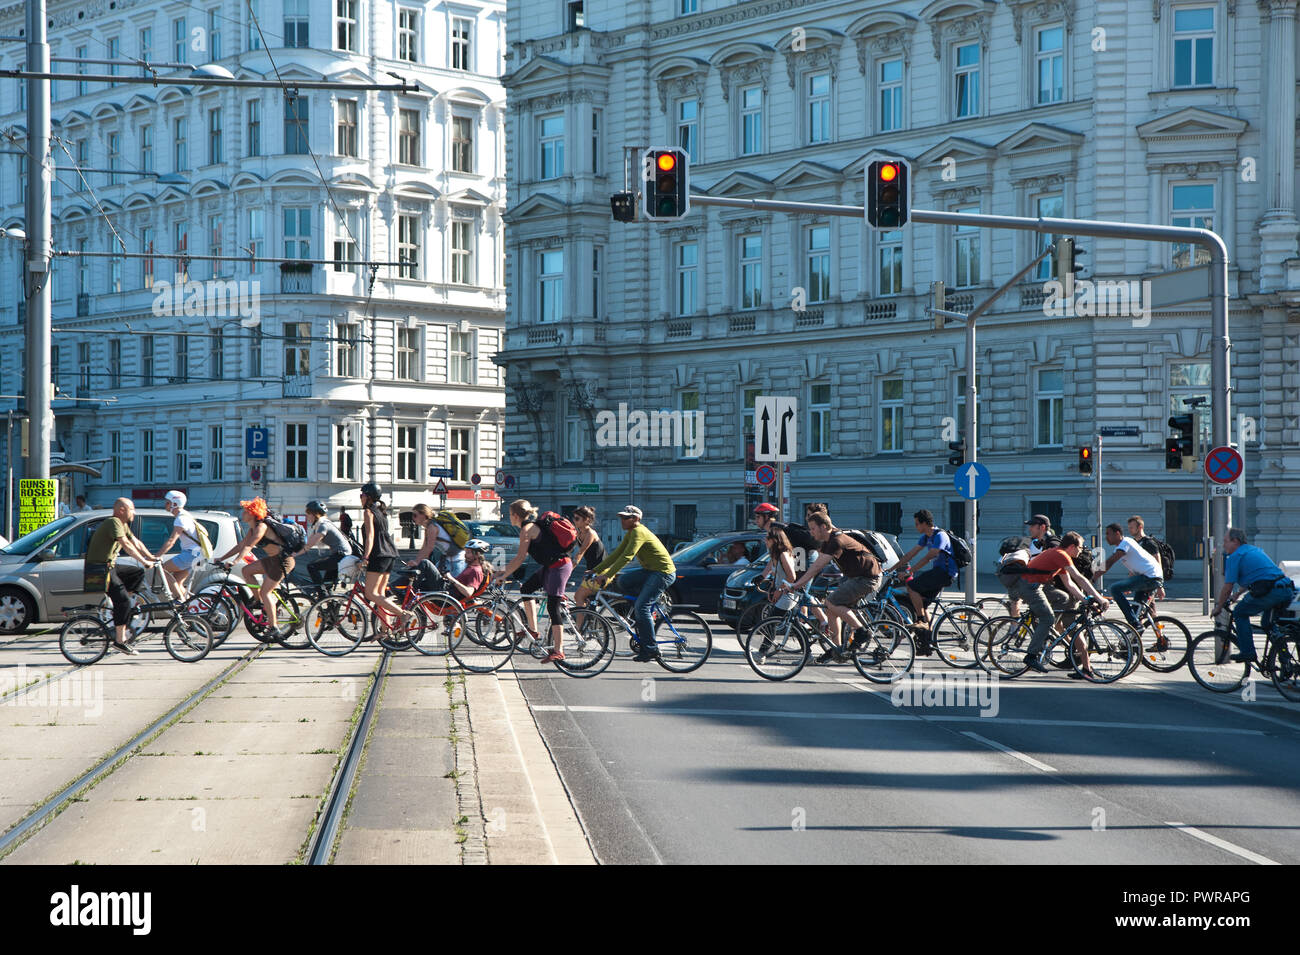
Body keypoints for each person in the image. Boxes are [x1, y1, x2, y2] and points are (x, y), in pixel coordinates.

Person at [779, 512, 881, 663]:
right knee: (829, 608)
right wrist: (799, 582)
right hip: (857, 577)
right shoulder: (828, 541)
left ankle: (861, 632)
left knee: (831, 602)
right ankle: (837, 650)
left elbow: (817, 566)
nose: (811, 532)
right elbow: (817, 564)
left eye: (813, 528)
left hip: (867, 578)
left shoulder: (836, 540)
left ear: (824, 527)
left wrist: (796, 584)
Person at [1005, 531, 1110, 676]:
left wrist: (1086, 600)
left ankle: (1047, 629)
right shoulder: (1061, 555)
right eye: (1079, 547)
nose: (1081, 550)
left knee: (1060, 602)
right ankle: (1031, 656)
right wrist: (1100, 598)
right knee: (1047, 618)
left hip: (1035, 585)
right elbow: (1079, 578)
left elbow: (1070, 584)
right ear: (1072, 546)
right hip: (1029, 586)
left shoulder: (1060, 555)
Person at [589, 505, 676, 663]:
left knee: (642, 606)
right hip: (650, 571)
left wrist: (607, 575)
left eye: (626, 517)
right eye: (621, 517)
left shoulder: (638, 532)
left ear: (636, 519)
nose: (622, 520)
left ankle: (651, 649)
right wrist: (596, 569)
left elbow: (627, 557)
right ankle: (639, 614)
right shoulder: (630, 533)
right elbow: (617, 554)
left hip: (663, 573)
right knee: (623, 581)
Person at [496, 499, 576, 664]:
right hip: (550, 566)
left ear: (515, 515)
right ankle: (533, 631)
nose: (509, 517)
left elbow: (519, 558)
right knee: (527, 588)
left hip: (560, 566)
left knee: (552, 606)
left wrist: (504, 576)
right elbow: (517, 560)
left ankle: (559, 650)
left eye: (509, 514)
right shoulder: (530, 527)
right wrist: (501, 571)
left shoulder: (527, 529)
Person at [84, 497, 159, 654]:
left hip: (110, 566)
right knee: (123, 601)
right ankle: (120, 640)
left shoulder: (123, 524)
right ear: (122, 510)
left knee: (136, 572)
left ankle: (124, 606)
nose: (135, 512)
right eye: (132, 509)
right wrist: (144, 561)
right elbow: (127, 545)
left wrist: (151, 557)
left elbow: (136, 542)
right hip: (100, 569)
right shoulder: (114, 522)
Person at [215, 497, 297, 640]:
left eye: (246, 511)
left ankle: (274, 628)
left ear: (253, 513)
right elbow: (241, 545)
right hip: (272, 560)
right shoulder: (252, 529)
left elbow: (249, 546)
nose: (243, 513)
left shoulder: (261, 527)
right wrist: (221, 559)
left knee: (266, 592)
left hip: (283, 562)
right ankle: (260, 602)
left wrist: (234, 562)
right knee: (246, 571)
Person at [1211, 529, 1297, 663]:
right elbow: (1259, 576)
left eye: (1226, 541)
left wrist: (1219, 607)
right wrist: (1238, 594)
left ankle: (1248, 652)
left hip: (1271, 591)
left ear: (1236, 542)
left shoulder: (1235, 556)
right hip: (1285, 589)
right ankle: (1285, 661)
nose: (1224, 545)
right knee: (1267, 624)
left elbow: (1227, 587)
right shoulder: (1254, 550)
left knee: (1239, 613)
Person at [884, 509, 958, 651]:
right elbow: (909, 555)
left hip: (945, 573)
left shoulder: (940, 536)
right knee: (923, 605)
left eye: (917, 524)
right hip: (938, 573)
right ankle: (928, 643)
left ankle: (921, 621)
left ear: (924, 523)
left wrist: (909, 572)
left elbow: (929, 556)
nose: (916, 526)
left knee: (912, 586)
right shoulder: (925, 537)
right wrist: (890, 570)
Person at [355, 482, 412, 635]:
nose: (360, 498)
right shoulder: (381, 511)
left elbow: (371, 536)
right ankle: (385, 629)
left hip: (378, 555)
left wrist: (365, 556)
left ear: (369, 497)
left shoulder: (369, 512)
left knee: (370, 594)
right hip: (389, 554)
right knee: (379, 595)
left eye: (362, 495)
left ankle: (403, 614)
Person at [1103, 522, 1164, 629]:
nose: (1130, 530)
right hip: (1145, 579)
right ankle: (1136, 639)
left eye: (1132, 527)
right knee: (1138, 613)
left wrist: (1160, 586)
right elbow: (1135, 567)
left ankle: (1156, 635)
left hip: (1149, 579)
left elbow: (1157, 562)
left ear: (1139, 527)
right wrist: (1130, 583)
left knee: (1115, 589)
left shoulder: (1146, 542)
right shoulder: (1132, 542)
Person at [152, 490, 203, 600]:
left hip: (192, 554)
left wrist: (157, 556)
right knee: (178, 583)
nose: (165, 504)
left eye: (167, 502)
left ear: (175, 504)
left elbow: (171, 540)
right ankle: (193, 607)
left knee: (163, 569)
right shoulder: (186, 516)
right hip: (198, 555)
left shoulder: (180, 519)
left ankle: (180, 600)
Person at [299, 500, 350, 593]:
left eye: (308, 513)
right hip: (341, 555)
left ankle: (321, 595)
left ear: (315, 514)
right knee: (327, 585)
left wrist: (294, 554)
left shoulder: (323, 525)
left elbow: (310, 544)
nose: (306, 516)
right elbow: (307, 542)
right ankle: (331, 604)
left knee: (312, 566)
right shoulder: (319, 525)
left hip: (341, 556)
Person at [407, 503, 467, 576]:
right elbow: (424, 548)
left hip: (456, 560)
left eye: (415, 515)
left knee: (453, 585)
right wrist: (416, 561)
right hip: (447, 559)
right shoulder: (428, 527)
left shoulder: (432, 527)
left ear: (423, 515)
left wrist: (417, 562)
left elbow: (429, 548)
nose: (413, 518)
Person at [571, 506, 606, 608]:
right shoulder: (579, 533)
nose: (574, 520)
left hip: (600, 570)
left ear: (586, 520)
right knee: (587, 599)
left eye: (577, 518)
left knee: (579, 596)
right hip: (591, 569)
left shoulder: (590, 533)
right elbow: (570, 549)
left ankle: (581, 624)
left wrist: (568, 570)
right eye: (574, 518)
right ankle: (590, 621)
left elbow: (580, 553)